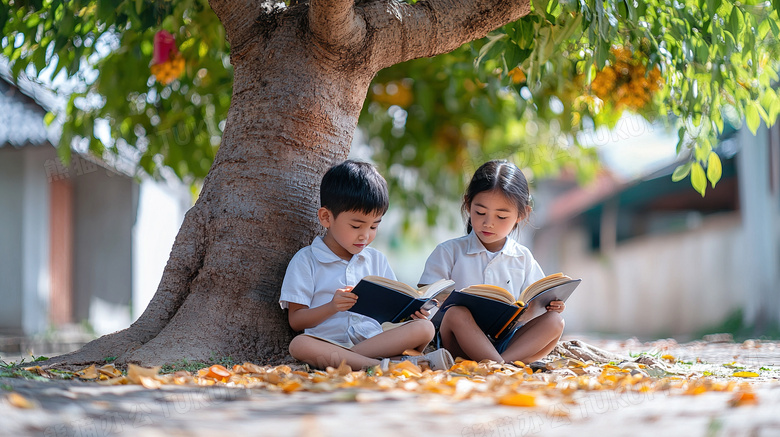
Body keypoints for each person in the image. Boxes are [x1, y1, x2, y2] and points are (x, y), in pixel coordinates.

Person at [280, 160, 454, 371]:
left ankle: (365, 363)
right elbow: (296, 321)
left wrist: (411, 313)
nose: (365, 235)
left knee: (425, 328)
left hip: (375, 343)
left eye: (374, 226)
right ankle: (388, 367)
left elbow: (393, 314)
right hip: (329, 344)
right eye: (356, 225)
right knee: (299, 345)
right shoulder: (306, 260)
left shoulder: (376, 260)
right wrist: (332, 307)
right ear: (326, 217)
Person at [419, 159, 565, 364]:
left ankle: (497, 364)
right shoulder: (448, 252)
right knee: (456, 314)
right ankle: (499, 365)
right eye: (480, 213)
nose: (489, 223)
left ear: (522, 214)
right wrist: (430, 306)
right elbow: (426, 303)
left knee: (555, 322)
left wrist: (550, 306)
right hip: (459, 343)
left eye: (502, 216)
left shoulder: (523, 257)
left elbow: (535, 303)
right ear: (468, 204)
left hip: (506, 341)